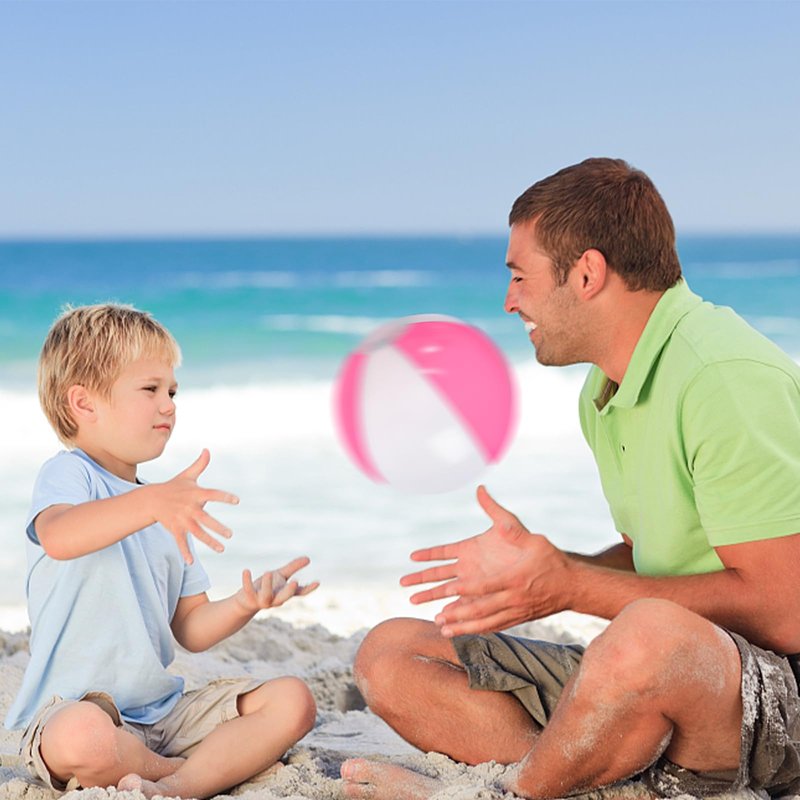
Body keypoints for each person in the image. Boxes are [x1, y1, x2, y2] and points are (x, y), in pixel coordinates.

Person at [340, 158, 800, 799]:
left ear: (586, 273)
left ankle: (518, 793)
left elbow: (785, 610)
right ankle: (591, 779)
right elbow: (655, 562)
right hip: (667, 673)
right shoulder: (604, 389)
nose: (509, 301)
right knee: (390, 655)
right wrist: (545, 571)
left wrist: (571, 586)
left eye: (519, 277)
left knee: (645, 634)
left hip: (776, 697)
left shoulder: (722, 377)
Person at [4, 304, 319, 799]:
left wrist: (246, 603)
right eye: (150, 389)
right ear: (84, 404)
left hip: (163, 713)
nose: (169, 405)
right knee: (83, 737)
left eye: (172, 391)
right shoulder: (70, 474)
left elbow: (190, 627)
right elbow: (59, 537)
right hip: (74, 709)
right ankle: (177, 771)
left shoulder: (165, 506)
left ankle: (174, 785)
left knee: (293, 700)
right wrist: (153, 502)